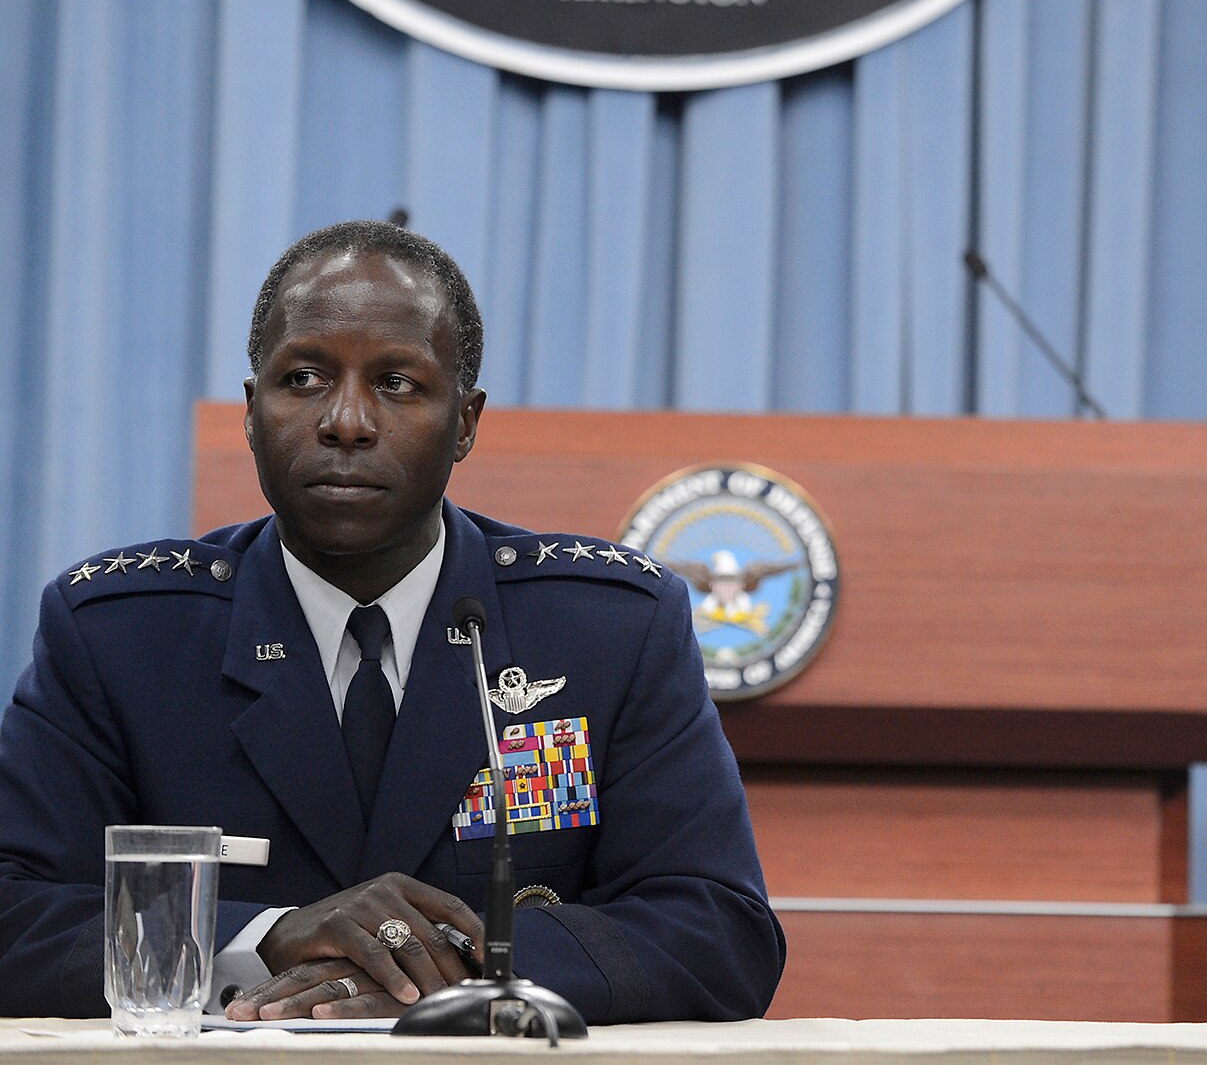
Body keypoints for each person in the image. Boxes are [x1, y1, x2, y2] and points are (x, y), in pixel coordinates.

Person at [0, 221, 785, 1023]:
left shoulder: (607, 630)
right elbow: (11, 914)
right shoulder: (121, 637)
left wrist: (451, 974)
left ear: (467, 422)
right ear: (249, 409)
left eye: (398, 383)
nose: (346, 420)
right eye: (302, 377)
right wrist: (263, 938)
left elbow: (719, 927)